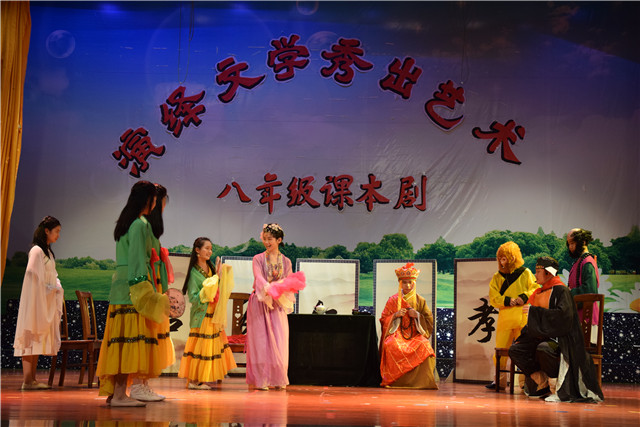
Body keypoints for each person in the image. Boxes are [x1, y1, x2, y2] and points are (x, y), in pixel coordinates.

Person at [96, 180, 169, 407]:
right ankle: (119, 395)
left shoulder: (126, 223)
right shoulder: (139, 224)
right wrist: (144, 290)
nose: (156, 203)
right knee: (128, 341)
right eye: (154, 199)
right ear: (148, 199)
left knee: (120, 342)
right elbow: (138, 260)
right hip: (132, 288)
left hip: (121, 286)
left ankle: (117, 393)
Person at [509, 257, 604, 402]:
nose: (535, 275)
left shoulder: (561, 291)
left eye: (538, 272)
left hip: (561, 339)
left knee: (544, 348)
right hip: (541, 335)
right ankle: (541, 382)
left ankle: (555, 387)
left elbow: (563, 317)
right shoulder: (539, 292)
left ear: (548, 273)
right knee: (516, 349)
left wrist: (535, 312)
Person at [128, 183, 175, 402]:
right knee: (144, 334)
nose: (161, 206)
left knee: (151, 335)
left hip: (154, 284)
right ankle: (138, 384)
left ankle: (143, 383)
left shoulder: (148, 228)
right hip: (146, 285)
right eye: (160, 202)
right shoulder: (141, 225)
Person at [178, 237, 236, 389]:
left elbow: (217, 288)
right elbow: (194, 297)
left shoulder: (210, 268)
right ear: (197, 250)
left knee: (210, 347)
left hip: (213, 314)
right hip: (202, 315)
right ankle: (194, 380)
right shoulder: (194, 272)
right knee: (200, 347)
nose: (210, 251)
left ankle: (202, 378)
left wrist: (220, 275)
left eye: (211, 249)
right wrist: (211, 285)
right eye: (206, 248)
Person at [13, 216, 64, 390]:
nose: (58, 235)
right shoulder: (36, 251)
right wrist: (47, 288)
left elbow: (53, 275)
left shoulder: (47, 252)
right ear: (46, 231)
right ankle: (27, 380)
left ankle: (32, 379)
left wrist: (55, 287)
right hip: (36, 300)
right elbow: (32, 274)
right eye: (56, 231)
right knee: (30, 335)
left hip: (44, 299)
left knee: (36, 337)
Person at [246, 223, 293, 391]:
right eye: (264, 239)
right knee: (260, 342)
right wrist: (267, 287)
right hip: (260, 302)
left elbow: (288, 280)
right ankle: (261, 379)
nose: (266, 242)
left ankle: (278, 377)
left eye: (270, 239)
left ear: (279, 240)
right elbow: (258, 277)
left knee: (279, 339)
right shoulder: (258, 259)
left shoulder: (286, 261)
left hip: (277, 303)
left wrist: (278, 288)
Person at [486, 241, 538, 390]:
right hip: (505, 318)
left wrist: (523, 297)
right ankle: (499, 381)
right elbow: (493, 297)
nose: (502, 262)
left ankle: (525, 382)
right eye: (500, 259)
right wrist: (508, 300)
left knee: (524, 350)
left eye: (505, 258)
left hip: (522, 318)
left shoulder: (526, 273)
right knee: (500, 350)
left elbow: (535, 288)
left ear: (513, 257)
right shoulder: (497, 277)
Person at [379, 262, 438, 389]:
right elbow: (383, 319)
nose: (408, 285)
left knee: (425, 345)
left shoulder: (420, 300)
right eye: (404, 282)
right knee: (390, 344)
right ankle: (394, 381)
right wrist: (395, 315)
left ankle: (421, 382)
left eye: (410, 282)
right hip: (398, 333)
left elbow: (429, 318)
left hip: (414, 334)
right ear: (400, 283)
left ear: (414, 283)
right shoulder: (393, 300)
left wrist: (418, 315)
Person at [566, 228, 600, 328]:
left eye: (572, 243)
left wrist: (568, 293)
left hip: (587, 319)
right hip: (578, 317)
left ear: (583, 242)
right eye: (569, 244)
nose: (570, 247)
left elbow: (590, 290)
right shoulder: (580, 261)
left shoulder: (587, 262)